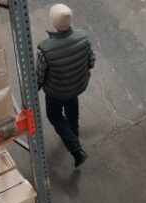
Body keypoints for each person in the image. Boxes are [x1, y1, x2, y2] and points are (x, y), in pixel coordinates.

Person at [37, 3, 95, 168]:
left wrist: (34, 91)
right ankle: (73, 133)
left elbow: (40, 76)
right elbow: (91, 60)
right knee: (71, 104)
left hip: (55, 91)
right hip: (76, 85)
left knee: (54, 115)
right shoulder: (83, 36)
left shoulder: (45, 49)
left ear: (53, 22)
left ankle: (76, 149)